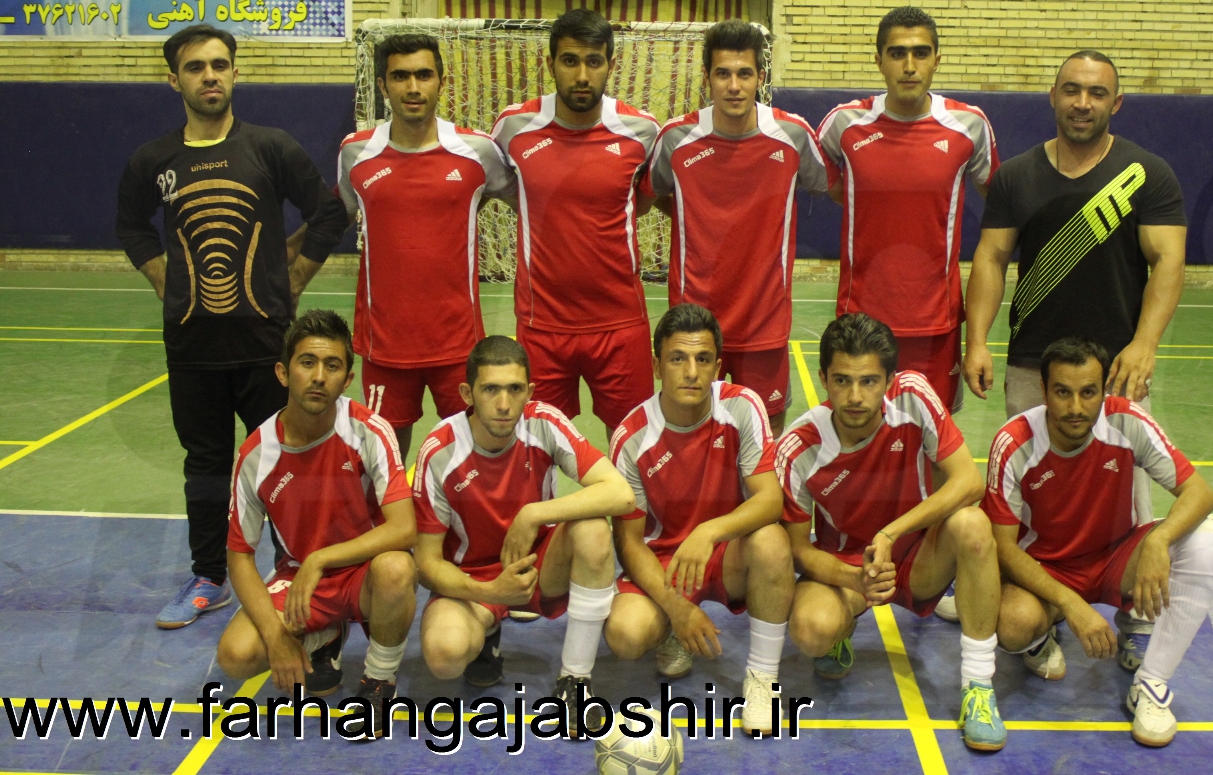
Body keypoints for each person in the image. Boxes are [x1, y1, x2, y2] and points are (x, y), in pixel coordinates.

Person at [116, 24, 347, 630]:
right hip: (192, 345)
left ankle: (297, 569)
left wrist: (296, 276)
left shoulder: (270, 148)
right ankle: (208, 578)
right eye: (195, 67)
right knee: (206, 463)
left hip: (266, 343)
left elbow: (329, 212)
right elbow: (131, 224)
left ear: (235, 73)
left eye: (220, 65)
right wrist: (161, 277)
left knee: (287, 459)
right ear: (174, 80)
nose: (210, 76)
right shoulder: (154, 160)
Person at [980, 338, 1213, 747]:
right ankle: (1041, 634)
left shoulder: (1127, 421)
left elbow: (1200, 493)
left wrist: (1158, 541)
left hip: (1116, 560)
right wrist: (1071, 604)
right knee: (1013, 623)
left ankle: (1151, 684)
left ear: (1103, 389)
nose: (1076, 407)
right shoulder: (1015, 442)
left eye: (1088, 392)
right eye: (1063, 392)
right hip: (1046, 568)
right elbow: (1002, 548)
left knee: (1207, 541)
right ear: (1043, 390)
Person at [778, 312, 1006, 752]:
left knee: (973, 524)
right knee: (810, 630)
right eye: (842, 381)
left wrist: (891, 532)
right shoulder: (800, 446)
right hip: (849, 569)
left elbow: (968, 482)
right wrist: (853, 578)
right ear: (823, 379)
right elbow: (796, 550)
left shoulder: (913, 396)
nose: (855, 396)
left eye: (868, 381)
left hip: (919, 557)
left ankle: (979, 686)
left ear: (888, 379)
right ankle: (840, 633)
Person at [412, 335, 635, 737]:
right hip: (474, 581)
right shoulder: (440, 451)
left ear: (529, 391)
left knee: (592, 529)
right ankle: (487, 631)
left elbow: (621, 494)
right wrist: (491, 592)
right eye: (490, 389)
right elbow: (426, 564)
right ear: (467, 394)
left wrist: (534, 514)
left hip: (538, 566)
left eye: (515, 389)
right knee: (444, 657)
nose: (504, 403)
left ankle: (575, 680)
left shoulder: (543, 423)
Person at [216, 310, 417, 739]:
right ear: (283, 372)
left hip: (366, 573)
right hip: (302, 581)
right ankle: (322, 635)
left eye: (332, 365)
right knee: (236, 655)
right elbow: (240, 557)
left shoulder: (368, 431)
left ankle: (379, 680)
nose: (319, 377)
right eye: (307, 363)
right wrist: (276, 636)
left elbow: (404, 529)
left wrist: (320, 559)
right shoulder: (257, 454)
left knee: (397, 567)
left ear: (348, 380)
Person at [602, 304, 794, 737]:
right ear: (657, 367)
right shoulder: (631, 438)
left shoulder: (742, 406)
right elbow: (629, 543)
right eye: (678, 359)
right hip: (664, 563)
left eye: (703, 359)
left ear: (717, 366)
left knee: (772, 542)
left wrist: (709, 532)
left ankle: (763, 678)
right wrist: (677, 607)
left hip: (725, 552)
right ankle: (672, 628)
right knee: (625, 636)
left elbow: (770, 501)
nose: (691, 372)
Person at [963, 50, 1186, 419]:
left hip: (1118, 366)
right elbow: (991, 258)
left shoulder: (1148, 173)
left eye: (1097, 93)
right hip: (1032, 365)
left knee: (1120, 459)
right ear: (1053, 96)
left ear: (1116, 103)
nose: (1082, 103)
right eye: (1071, 90)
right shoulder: (1015, 176)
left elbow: (1168, 259)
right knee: (1034, 459)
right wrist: (976, 343)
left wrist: (1145, 345)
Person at [337, 33, 515, 462]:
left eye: (423, 75)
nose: (413, 87)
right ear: (383, 85)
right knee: (385, 461)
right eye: (400, 77)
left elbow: (520, 198)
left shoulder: (477, 151)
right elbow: (341, 213)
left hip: (458, 344)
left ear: (441, 81)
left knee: (472, 457)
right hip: (384, 345)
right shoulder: (355, 153)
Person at [647, 20, 829, 436]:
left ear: (760, 77)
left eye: (744, 74)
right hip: (693, 325)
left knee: (766, 430)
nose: (734, 86)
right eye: (723, 74)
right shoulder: (676, 139)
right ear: (707, 77)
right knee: (690, 427)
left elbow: (827, 184)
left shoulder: (792, 135)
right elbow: (651, 193)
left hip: (765, 321)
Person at [490, 10, 661, 441]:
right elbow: (508, 191)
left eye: (593, 61)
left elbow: (642, 200)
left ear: (611, 65)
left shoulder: (641, 131)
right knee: (537, 447)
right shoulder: (513, 128)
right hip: (542, 324)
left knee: (634, 447)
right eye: (570, 61)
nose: (582, 76)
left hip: (620, 325)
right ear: (550, 64)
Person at [817, 7, 998, 412]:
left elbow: (999, 203)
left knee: (933, 434)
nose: (910, 65)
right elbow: (827, 181)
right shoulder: (843, 123)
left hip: (936, 324)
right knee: (859, 429)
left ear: (937, 59)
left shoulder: (969, 125)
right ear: (879, 60)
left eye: (921, 53)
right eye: (897, 53)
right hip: (860, 320)